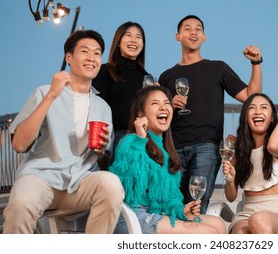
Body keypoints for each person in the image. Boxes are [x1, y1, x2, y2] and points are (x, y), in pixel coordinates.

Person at [3, 30, 124, 234]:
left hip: (80, 182)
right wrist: (51, 95)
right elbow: (19, 145)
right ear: (69, 58)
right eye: (84, 51)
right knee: (21, 203)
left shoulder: (103, 108)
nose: (91, 58)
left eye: (96, 53)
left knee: (111, 185)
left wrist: (102, 150)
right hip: (41, 177)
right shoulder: (44, 92)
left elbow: (104, 160)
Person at [158, 15, 262, 213]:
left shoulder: (217, 68)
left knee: (197, 205)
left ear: (204, 37)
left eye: (198, 29)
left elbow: (252, 95)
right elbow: (156, 114)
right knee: (172, 206)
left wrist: (256, 63)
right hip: (173, 148)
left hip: (207, 146)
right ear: (178, 36)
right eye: (187, 29)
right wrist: (169, 105)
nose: (193, 32)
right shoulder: (166, 76)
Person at [109, 85, 226, 234]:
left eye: (166, 103)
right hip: (133, 216)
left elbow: (171, 197)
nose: (163, 107)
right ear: (140, 114)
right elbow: (129, 187)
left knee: (217, 224)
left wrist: (182, 211)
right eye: (155, 103)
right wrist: (140, 139)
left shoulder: (167, 150)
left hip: (159, 214)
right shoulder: (130, 141)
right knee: (208, 233)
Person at [223, 93, 278, 234]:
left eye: (264, 107)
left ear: (271, 118)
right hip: (247, 211)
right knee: (240, 233)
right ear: (246, 117)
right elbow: (231, 197)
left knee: (258, 220)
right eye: (252, 108)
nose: (258, 111)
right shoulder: (237, 150)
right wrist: (230, 179)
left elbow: (273, 146)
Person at [92, 21, 151, 169]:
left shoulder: (148, 78)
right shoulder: (104, 71)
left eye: (138, 37)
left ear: (143, 44)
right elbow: (96, 107)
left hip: (142, 138)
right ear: (118, 42)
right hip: (115, 138)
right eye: (128, 35)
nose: (134, 40)